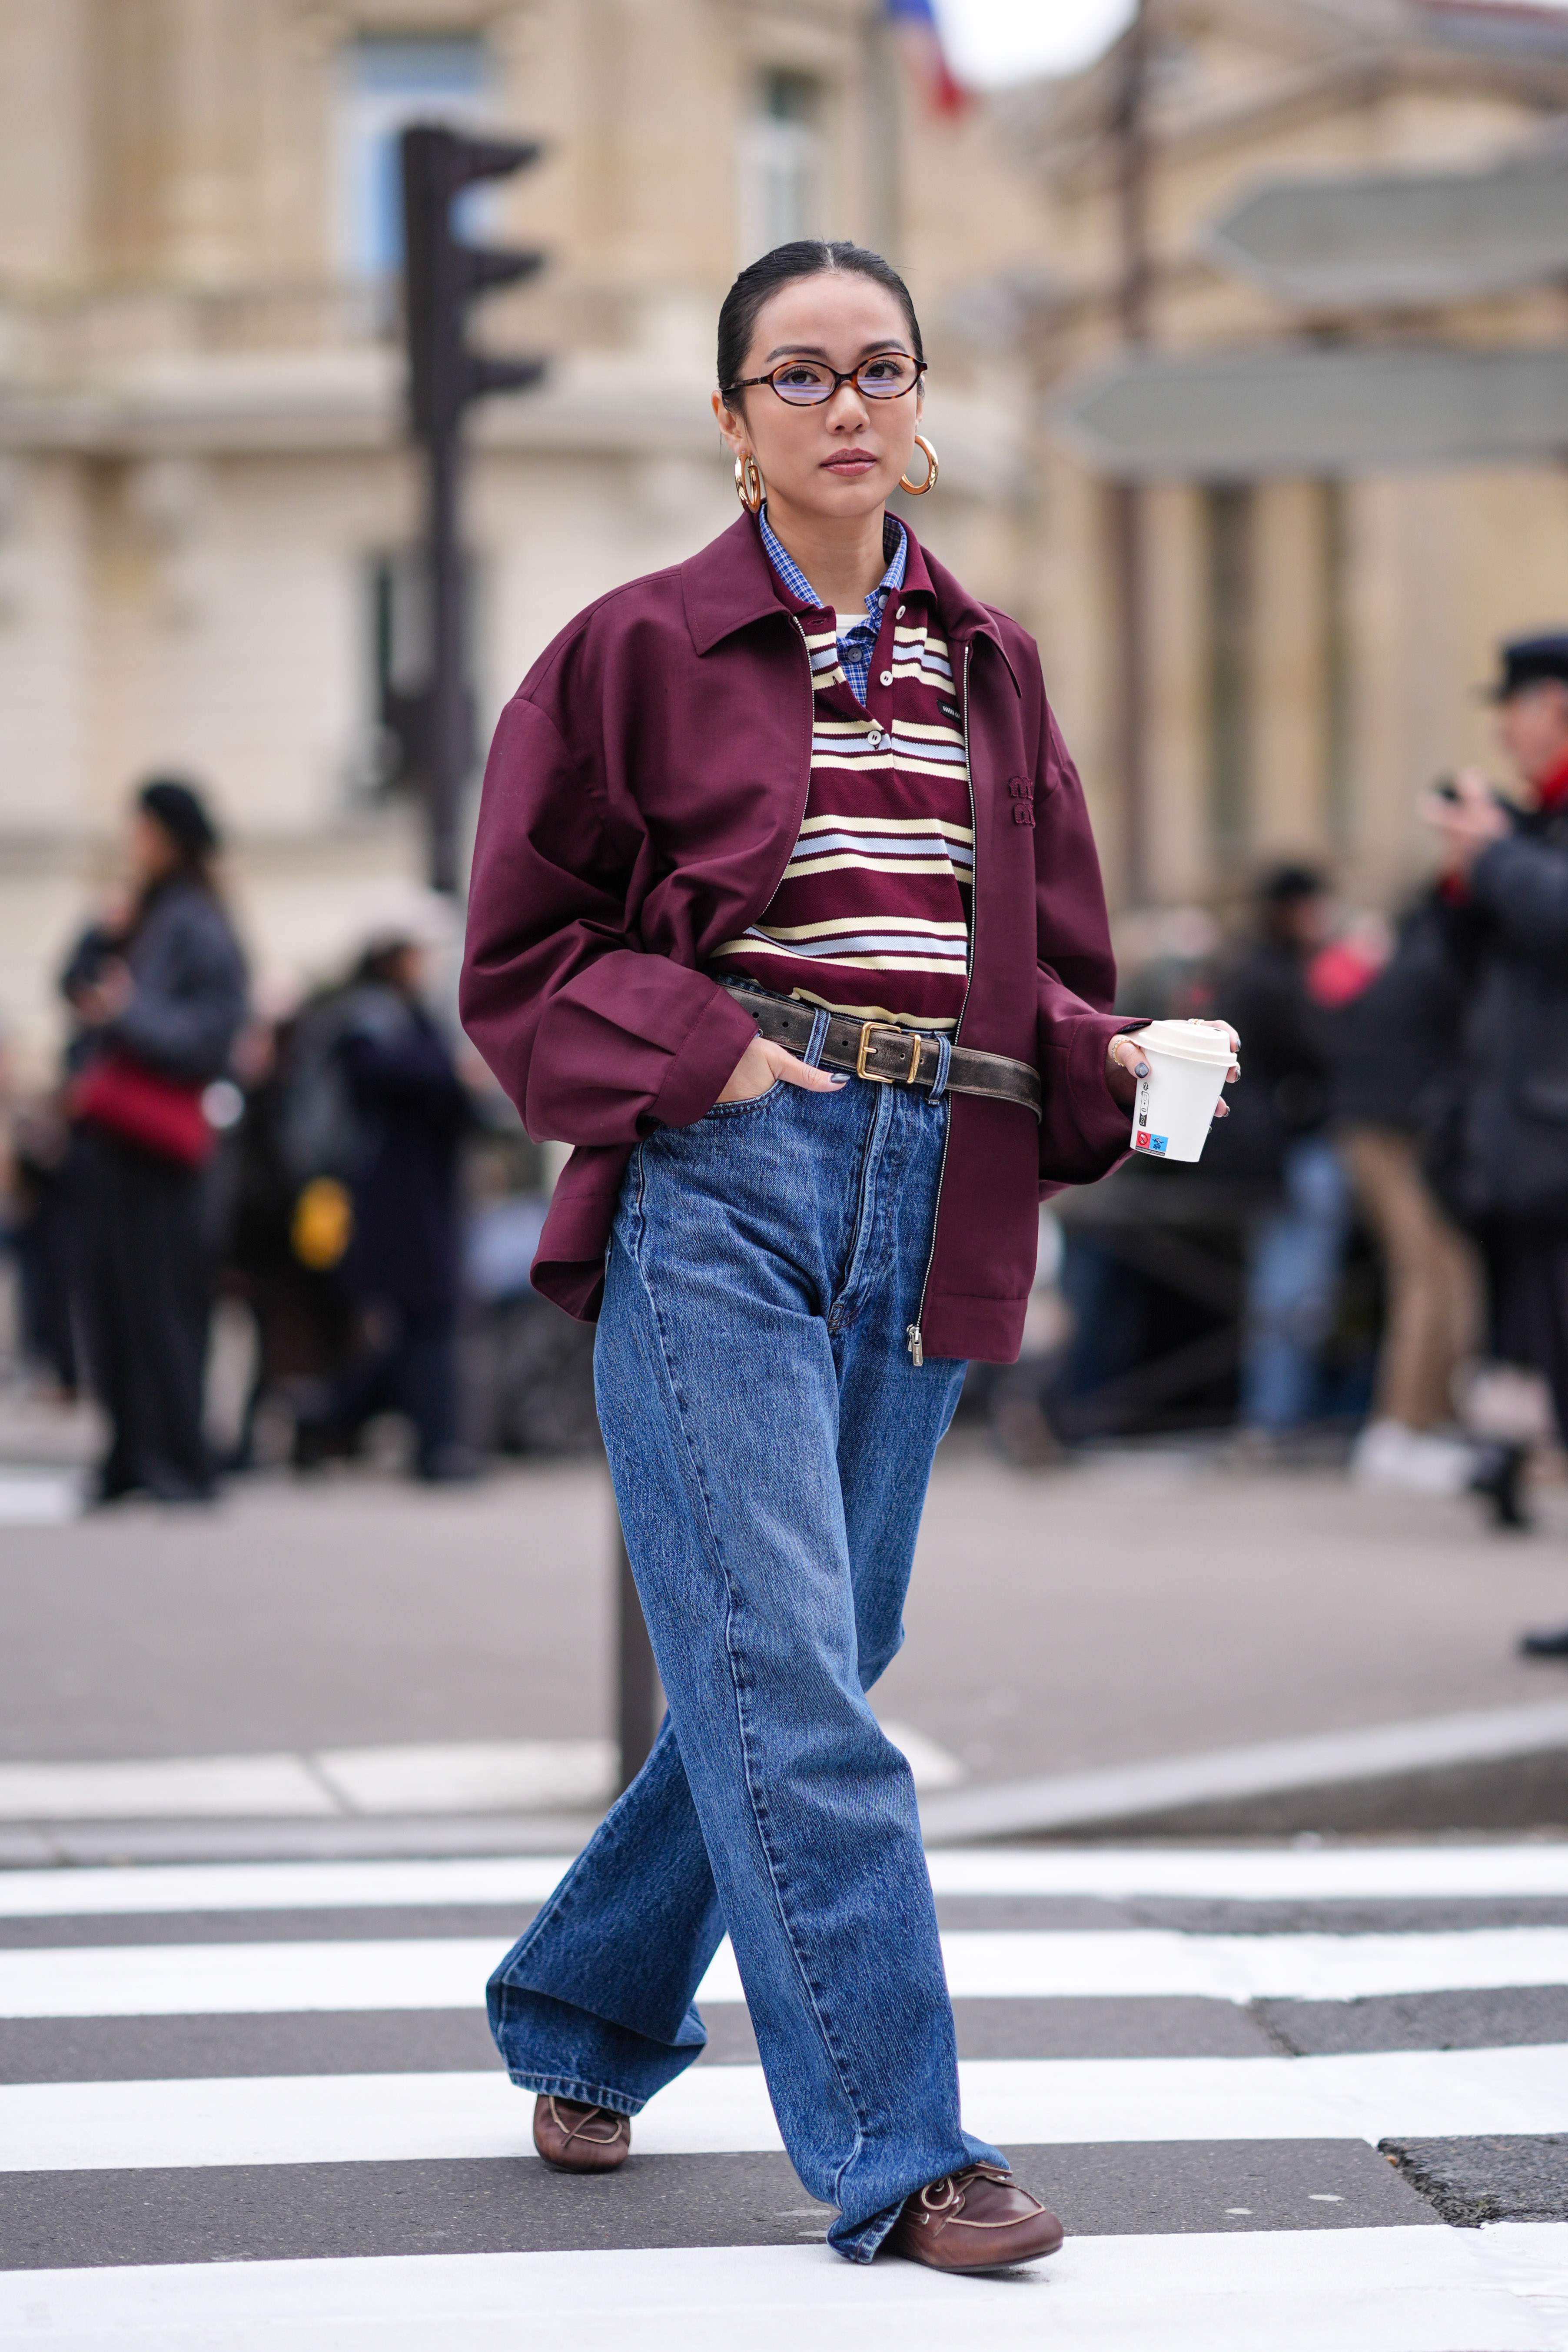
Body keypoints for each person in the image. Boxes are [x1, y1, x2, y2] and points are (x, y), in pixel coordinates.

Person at [461, 239, 1237, 2274]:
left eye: (874, 367)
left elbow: (1033, 967)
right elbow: (522, 959)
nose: (839, 404)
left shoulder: (988, 661)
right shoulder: (623, 650)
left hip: (930, 1178)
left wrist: (1121, 1051)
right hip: (721, 1174)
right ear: (729, 424)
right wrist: (705, 1055)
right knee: (793, 1673)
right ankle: (906, 2152)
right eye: (791, 376)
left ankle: (585, 2004)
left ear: (916, 403)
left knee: (807, 1650)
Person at [1423, 631, 1568, 1625]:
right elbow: (1459, 965)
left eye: (1512, 706)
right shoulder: (1533, 829)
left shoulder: (1533, 842)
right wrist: (1473, 869)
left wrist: (1500, 859)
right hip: (1534, 1142)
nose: (1500, 730)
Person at [63, 777, 247, 1502]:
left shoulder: (198, 923)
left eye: (140, 829)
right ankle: (132, 1458)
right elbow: (70, 983)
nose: (129, 843)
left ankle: (174, 1459)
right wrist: (102, 936)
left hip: (160, 1151)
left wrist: (126, 1014)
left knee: (160, 1306)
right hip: (113, 1145)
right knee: (109, 1303)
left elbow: (208, 1035)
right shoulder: (140, 914)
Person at [289, 912, 476, 1482]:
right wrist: (450, 1078)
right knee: (422, 1312)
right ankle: (435, 1445)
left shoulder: (411, 1015)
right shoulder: (369, 1017)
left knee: (420, 1317)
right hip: (391, 1193)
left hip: (424, 1188)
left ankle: (331, 1419)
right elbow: (385, 1077)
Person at [1335, 897, 1482, 1492]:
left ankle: (1422, 1424)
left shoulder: (1417, 957)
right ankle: (1401, 1428)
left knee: (1439, 1273)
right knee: (1429, 1273)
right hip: (1391, 1134)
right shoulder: (1445, 964)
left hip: (1382, 1128)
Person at [1207, 864, 1350, 1435]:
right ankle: (1277, 1419)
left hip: (1263, 1155)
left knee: (1282, 1293)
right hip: (1284, 1156)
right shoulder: (1276, 977)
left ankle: (1275, 1415)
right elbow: (1326, 1051)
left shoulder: (1249, 970)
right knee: (1291, 1296)